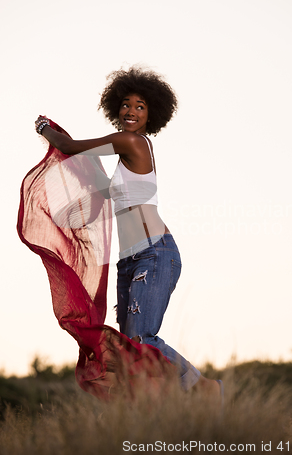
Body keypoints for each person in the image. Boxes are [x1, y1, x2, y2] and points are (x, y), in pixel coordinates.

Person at [34, 66, 221, 397]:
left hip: (154, 252)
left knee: (142, 339)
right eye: (125, 104)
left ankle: (203, 388)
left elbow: (71, 146)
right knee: (129, 350)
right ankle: (156, 411)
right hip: (130, 261)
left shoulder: (131, 142)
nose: (131, 111)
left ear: (152, 115)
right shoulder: (125, 162)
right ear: (115, 110)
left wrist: (45, 128)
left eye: (140, 106)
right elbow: (102, 197)